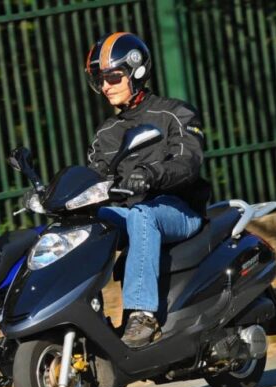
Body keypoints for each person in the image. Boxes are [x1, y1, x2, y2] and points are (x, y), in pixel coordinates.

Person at [85, 32, 210, 348]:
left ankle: (142, 315)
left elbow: (188, 162)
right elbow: (94, 177)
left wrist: (151, 174)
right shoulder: (107, 132)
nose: (105, 86)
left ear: (136, 72)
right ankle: (84, 317)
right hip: (129, 213)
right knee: (79, 226)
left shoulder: (175, 113)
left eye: (113, 77)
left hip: (178, 210)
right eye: (101, 79)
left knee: (143, 214)